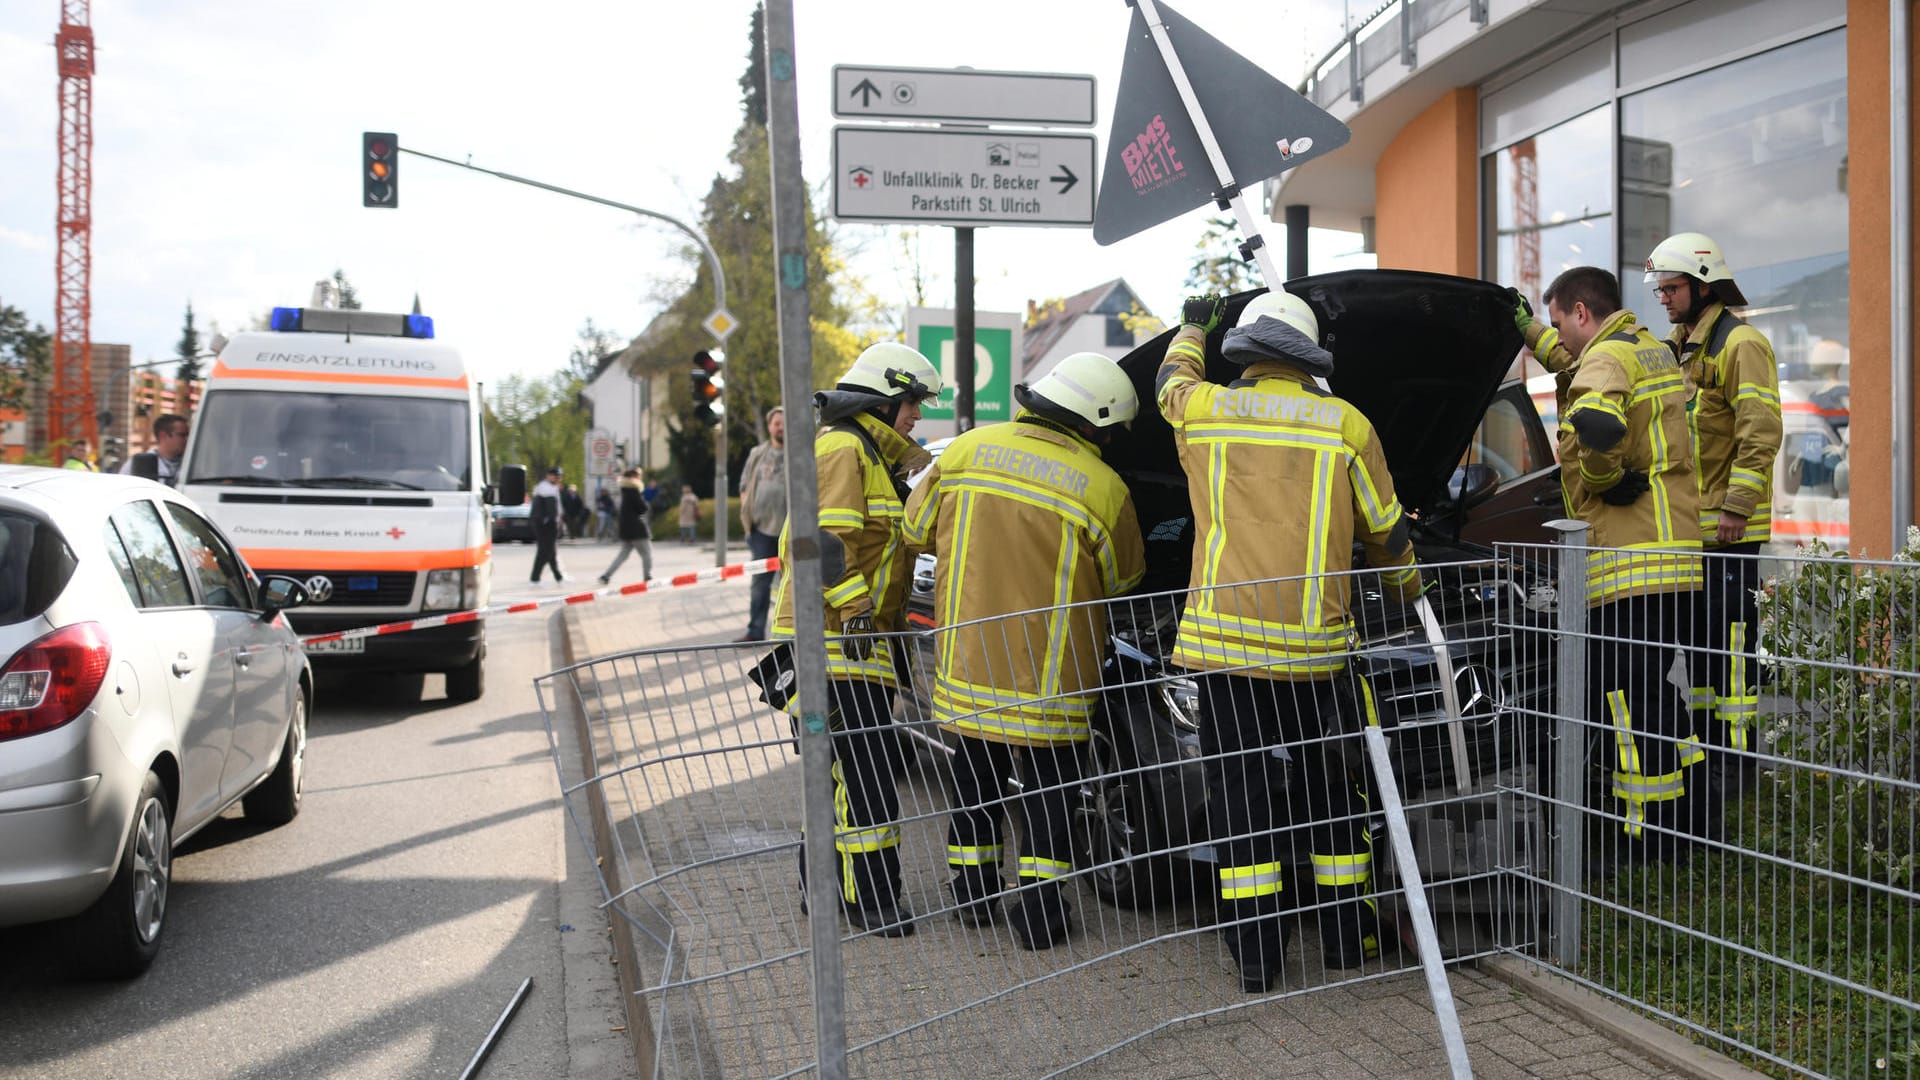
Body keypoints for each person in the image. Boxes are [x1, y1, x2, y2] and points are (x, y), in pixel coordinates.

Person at [1158, 290, 1422, 993]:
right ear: (1306, 359)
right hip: (1313, 654)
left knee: (1241, 794)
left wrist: (1192, 327)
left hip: (1224, 650)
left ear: (1244, 352)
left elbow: (1169, 384)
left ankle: (1257, 960)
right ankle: (1343, 942)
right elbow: (1387, 531)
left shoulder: (1206, 409)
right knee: (1328, 789)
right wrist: (1410, 591)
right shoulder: (1345, 424)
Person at [902, 352, 1145, 949]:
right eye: (1110, 433)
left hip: (968, 664)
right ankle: (1039, 917)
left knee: (974, 782)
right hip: (1049, 679)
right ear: (1094, 423)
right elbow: (1123, 577)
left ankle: (973, 897)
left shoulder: (962, 453)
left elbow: (915, 531)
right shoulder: (1104, 487)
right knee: (1048, 798)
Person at [1518, 266, 1703, 861]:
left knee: (1623, 699)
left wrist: (1603, 479)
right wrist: (1524, 327)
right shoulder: (1648, 349)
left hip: (1626, 561)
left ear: (1580, 313)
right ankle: (1686, 820)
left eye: (1556, 323)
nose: (1558, 337)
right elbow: (1572, 363)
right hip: (1672, 557)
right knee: (1659, 693)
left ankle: (1645, 838)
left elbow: (1594, 432)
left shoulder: (1604, 363)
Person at [771, 340, 940, 936]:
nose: (917, 416)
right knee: (861, 774)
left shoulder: (868, 455)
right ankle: (868, 900)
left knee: (847, 772)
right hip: (836, 644)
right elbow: (821, 544)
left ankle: (826, 890)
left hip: (852, 647)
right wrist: (860, 612)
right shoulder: (844, 448)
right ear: (884, 398)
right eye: (912, 403)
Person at [1644, 233, 1782, 827]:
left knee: (1729, 651)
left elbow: (1760, 432)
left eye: (1671, 289)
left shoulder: (1740, 344)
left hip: (1730, 531)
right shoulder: (1680, 348)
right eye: (1661, 290)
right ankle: (1709, 749)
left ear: (1704, 284)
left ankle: (1737, 759)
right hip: (1691, 533)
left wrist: (1735, 510)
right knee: (1702, 649)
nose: (1664, 299)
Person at [736, 407, 789, 642]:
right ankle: (755, 631)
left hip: (791, 532)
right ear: (770, 426)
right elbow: (744, 486)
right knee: (760, 584)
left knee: (793, 584)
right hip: (761, 532)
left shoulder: (799, 454)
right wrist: (748, 513)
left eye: (784, 423)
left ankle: (794, 632)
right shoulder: (758, 454)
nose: (781, 427)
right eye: (777, 423)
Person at [598, 468, 653, 584]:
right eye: (639, 475)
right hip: (637, 528)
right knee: (647, 553)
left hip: (625, 528)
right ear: (634, 477)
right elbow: (642, 508)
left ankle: (606, 576)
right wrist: (645, 504)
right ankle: (647, 576)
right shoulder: (634, 490)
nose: (641, 477)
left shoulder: (624, 490)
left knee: (623, 555)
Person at [119, 413, 189, 486]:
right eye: (182, 435)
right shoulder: (136, 464)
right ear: (163, 436)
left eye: (188, 435)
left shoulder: (192, 463)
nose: (187, 440)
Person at [529, 466, 566, 583]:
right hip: (545, 524)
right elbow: (551, 509)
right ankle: (535, 577)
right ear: (548, 476)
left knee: (549, 550)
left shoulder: (550, 487)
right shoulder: (546, 488)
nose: (558, 478)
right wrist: (551, 521)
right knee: (546, 550)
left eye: (559, 476)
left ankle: (558, 576)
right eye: (555, 476)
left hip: (546, 523)